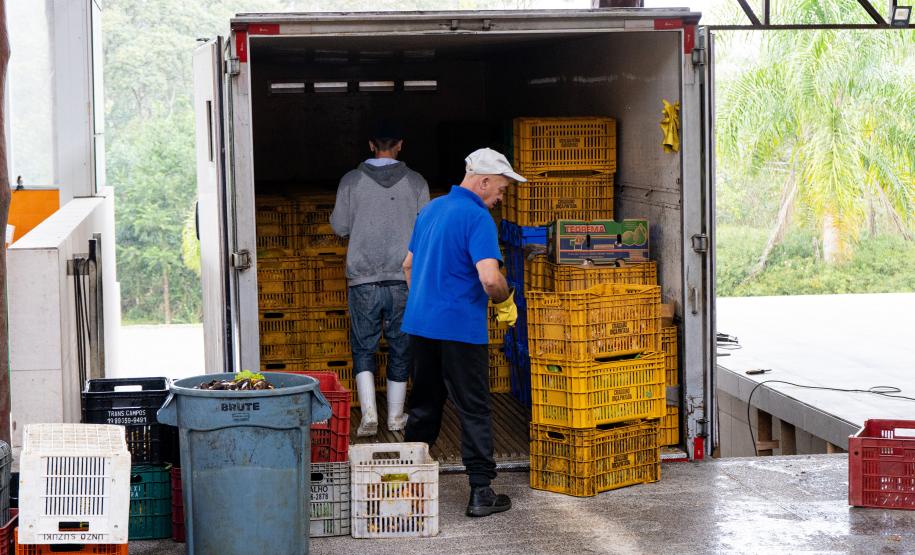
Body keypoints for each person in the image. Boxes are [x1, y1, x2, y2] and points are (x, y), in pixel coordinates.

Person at [401, 147, 523, 518]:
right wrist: (505, 300)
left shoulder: (431, 209)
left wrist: (426, 302)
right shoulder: (477, 217)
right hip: (460, 331)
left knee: (423, 405)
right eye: (500, 188)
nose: (501, 197)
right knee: (474, 408)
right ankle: (481, 492)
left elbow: (407, 266)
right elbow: (488, 278)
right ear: (483, 181)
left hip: (420, 326)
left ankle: (406, 484)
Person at [330, 124, 430, 436]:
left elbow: (339, 227)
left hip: (363, 278)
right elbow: (426, 232)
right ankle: (396, 417)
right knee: (401, 346)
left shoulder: (351, 181)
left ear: (372, 144)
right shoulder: (416, 183)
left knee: (363, 347)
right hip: (403, 278)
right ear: (400, 144)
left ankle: (369, 416)